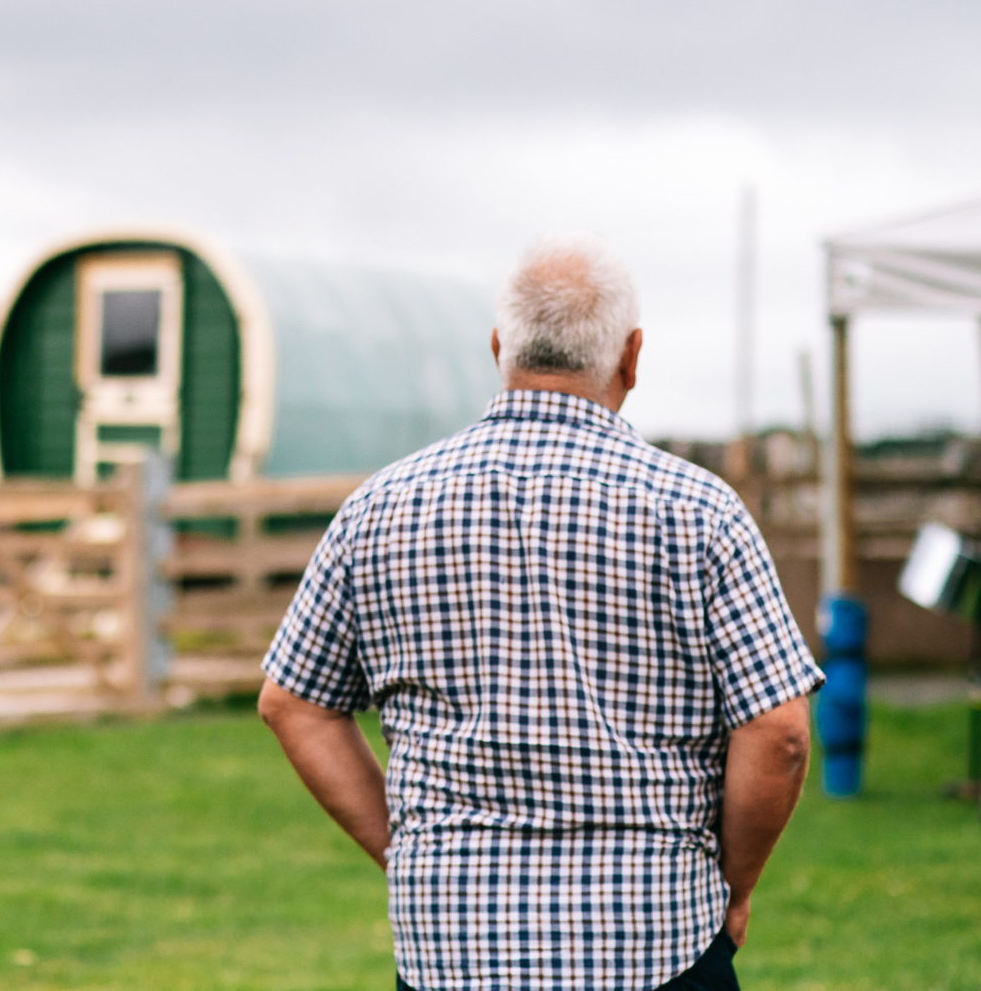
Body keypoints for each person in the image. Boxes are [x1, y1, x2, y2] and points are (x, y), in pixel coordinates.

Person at [258, 234, 822, 991]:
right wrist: (735, 884)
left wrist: (410, 850)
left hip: (449, 952)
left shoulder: (380, 507)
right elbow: (780, 731)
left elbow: (293, 701)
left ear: (500, 348)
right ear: (632, 356)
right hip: (654, 943)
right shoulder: (699, 511)